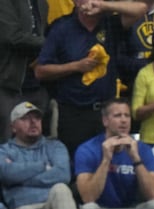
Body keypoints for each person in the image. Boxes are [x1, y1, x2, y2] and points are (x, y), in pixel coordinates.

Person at [34, 0, 148, 160]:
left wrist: (104, 6)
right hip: (74, 114)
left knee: (110, 166)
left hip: (107, 113)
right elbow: (41, 71)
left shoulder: (110, 23)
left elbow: (141, 8)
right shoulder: (61, 27)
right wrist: (75, 66)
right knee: (76, 168)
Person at [74, 98, 154, 209]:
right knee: (89, 208)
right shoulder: (87, 150)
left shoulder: (143, 149)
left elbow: (153, 195)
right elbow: (88, 198)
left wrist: (136, 158)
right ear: (105, 121)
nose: (124, 120)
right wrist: (106, 160)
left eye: (127, 116)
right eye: (117, 115)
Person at [0, 101, 75, 209]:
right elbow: (7, 174)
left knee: (61, 189)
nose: (33, 122)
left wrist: (19, 179)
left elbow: (63, 175)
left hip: (53, 205)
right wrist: (43, 166)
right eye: (25, 118)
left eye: (37, 118)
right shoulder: (4, 150)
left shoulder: (55, 146)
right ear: (13, 127)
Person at [0, 0, 50, 144]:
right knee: (7, 142)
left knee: (37, 144)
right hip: (8, 84)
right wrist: (51, 43)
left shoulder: (42, 3)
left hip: (37, 84)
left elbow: (42, 32)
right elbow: (12, 36)